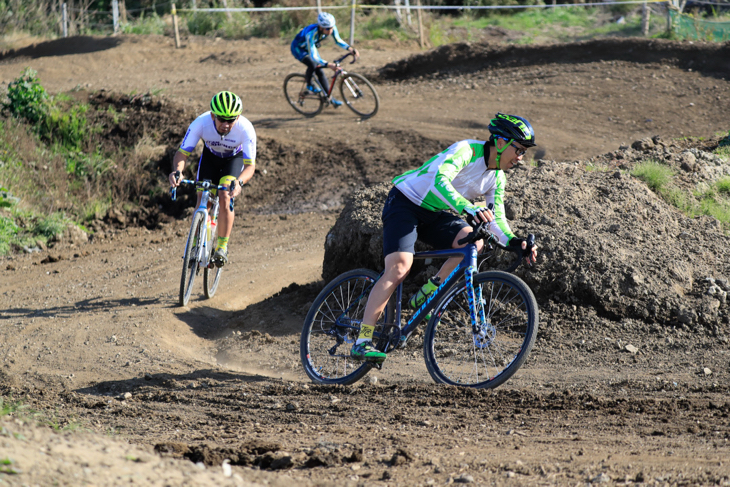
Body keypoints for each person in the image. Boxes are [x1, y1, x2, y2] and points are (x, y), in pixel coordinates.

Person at [350, 113, 539, 363]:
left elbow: (497, 219)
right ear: (501, 141)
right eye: (519, 150)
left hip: (435, 212)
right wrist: (467, 208)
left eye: (524, 152)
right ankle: (362, 340)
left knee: (475, 241)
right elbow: (440, 180)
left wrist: (515, 242)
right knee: (399, 268)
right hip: (405, 202)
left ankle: (430, 290)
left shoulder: (497, 178)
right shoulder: (467, 150)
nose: (520, 158)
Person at [168, 91, 256, 268]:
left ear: (237, 117)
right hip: (210, 158)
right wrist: (177, 172)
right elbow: (182, 152)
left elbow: (250, 166)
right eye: (221, 119)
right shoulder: (201, 123)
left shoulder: (246, 129)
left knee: (225, 195)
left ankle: (222, 246)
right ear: (212, 115)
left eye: (231, 120)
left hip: (234, 160)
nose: (225, 124)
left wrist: (239, 183)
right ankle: (196, 245)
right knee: (203, 199)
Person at [290, 12, 359, 107]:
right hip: (298, 48)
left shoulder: (330, 27)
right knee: (313, 64)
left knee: (320, 71)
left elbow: (338, 40)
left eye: (332, 27)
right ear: (321, 27)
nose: (330, 31)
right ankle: (309, 85)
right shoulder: (311, 34)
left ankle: (329, 98)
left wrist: (350, 49)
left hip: (310, 46)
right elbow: (314, 57)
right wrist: (328, 64)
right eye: (327, 29)